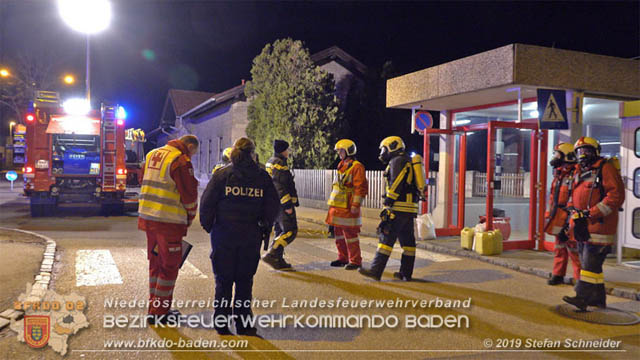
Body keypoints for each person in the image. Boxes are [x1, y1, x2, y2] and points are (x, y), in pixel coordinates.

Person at [200, 137, 279, 336]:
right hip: (250, 237)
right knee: (245, 281)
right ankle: (244, 325)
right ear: (253, 154)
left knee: (223, 281)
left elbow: (206, 204)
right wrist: (265, 226)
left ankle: (222, 324)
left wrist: (211, 227)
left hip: (224, 236)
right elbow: (273, 206)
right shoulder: (262, 176)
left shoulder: (222, 175)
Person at [138, 135, 199, 325]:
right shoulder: (180, 160)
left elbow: (143, 181)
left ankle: (154, 307)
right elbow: (189, 195)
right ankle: (160, 313)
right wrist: (189, 218)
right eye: (193, 152)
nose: (192, 156)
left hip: (149, 219)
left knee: (155, 264)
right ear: (189, 146)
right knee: (170, 267)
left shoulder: (151, 154)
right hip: (169, 222)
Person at [563, 137, 625, 310]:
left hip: (600, 228)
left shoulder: (606, 169)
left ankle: (581, 297)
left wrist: (591, 213)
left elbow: (615, 197)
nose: (584, 155)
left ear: (596, 151)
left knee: (589, 266)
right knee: (592, 267)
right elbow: (573, 195)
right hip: (583, 227)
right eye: (580, 151)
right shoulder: (578, 171)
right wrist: (571, 212)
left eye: (587, 151)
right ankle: (598, 299)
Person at [359, 136, 417, 281]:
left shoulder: (397, 161)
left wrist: (389, 201)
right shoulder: (408, 160)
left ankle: (375, 271)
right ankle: (405, 273)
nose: (382, 152)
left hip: (397, 208)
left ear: (392, 147)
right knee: (408, 244)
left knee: (385, 240)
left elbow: (396, 182)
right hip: (409, 209)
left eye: (383, 149)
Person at [326, 139, 368, 270]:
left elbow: (360, 187)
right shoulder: (341, 165)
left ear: (348, 151)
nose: (339, 153)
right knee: (338, 234)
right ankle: (342, 258)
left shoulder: (357, 166)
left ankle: (355, 261)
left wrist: (356, 204)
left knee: (350, 235)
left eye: (341, 151)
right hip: (337, 207)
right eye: (338, 151)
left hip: (349, 207)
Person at [545, 142, 581, 285]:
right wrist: (549, 214)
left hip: (569, 215)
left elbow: (577, 198)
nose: (555, 157)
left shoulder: (576, 174)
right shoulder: (559, 173)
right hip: (558, 215)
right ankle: (558, 274)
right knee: (559, 246)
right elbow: (553, 196)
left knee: (574, 248)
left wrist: (570, 220)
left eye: (557, 154)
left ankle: (580, 279)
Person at [262, 140, 299, 269]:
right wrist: (288, 205)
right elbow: (280, 187)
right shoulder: (279, 164)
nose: (288, 152)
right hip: (282, 205)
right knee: (290, 231)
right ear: (282, 150)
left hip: (274, 204)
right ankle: (272, 254)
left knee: (280, 231)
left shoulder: (271, 161)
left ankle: (278, 259)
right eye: (287, 149)